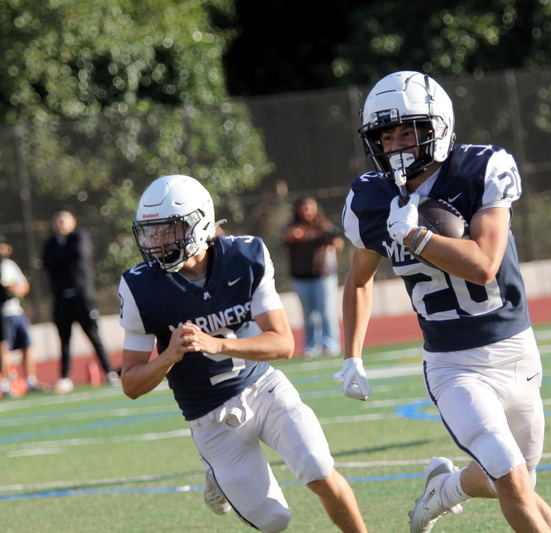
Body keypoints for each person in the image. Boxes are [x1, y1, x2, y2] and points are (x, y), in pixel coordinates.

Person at [340, 71, 551, 533]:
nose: (396, 146)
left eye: (407, 132)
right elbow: (359, 279)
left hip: (516, 350)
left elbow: (484, 266)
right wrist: (351, 356)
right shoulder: (370, 198)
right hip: (454, 365)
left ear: (437, 126)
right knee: (512, 480)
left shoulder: (479, 169)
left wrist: (415, 237)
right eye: (386, 136)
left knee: (518, 479)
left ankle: (443, 490)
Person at [118, 174, 367, 533]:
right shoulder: (141, 286)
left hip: (265, 388)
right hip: (208, 417)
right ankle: (216, 474)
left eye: (169, 230)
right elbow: (130, 384)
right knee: (274, 520)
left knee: (319, 470)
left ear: (200, 223)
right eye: (152, 232)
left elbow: (283, 343)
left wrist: (218, 344)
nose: (158, 241)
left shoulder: (244, 256)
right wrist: (168, 356)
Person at [41, 207, 118, 393]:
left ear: (73, 221)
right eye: (56, 220)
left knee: (93, 335)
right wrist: (60, 258)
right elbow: (46, 262)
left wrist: (59, 258)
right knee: (64, 340)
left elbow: (76, 253)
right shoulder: (50, 243)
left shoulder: (80, 236)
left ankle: (109, 372)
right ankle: (65, 377)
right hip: (61, 299)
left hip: (81, 296)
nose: (59, 223)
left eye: (63, 220)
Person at [283, 196, 344, 358]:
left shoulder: (324, 227)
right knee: (309, 314)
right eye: (304, 207)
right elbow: (286, 238)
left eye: (310, 206)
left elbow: (339, 244)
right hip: (301, 277)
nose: (307, 210)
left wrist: (331, 239)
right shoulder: (293, 228)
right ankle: (311, 346)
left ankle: (330, 344)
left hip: (323, 275)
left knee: (326, 311)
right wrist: (294, 236)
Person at [0, 235, 46, 396]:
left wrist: (14, 290)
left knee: (27, 345)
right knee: (4, 348)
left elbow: (24, 285)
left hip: (15, 311)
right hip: (1, 314)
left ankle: (30, 381)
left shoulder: (9, 265)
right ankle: (5, 385)